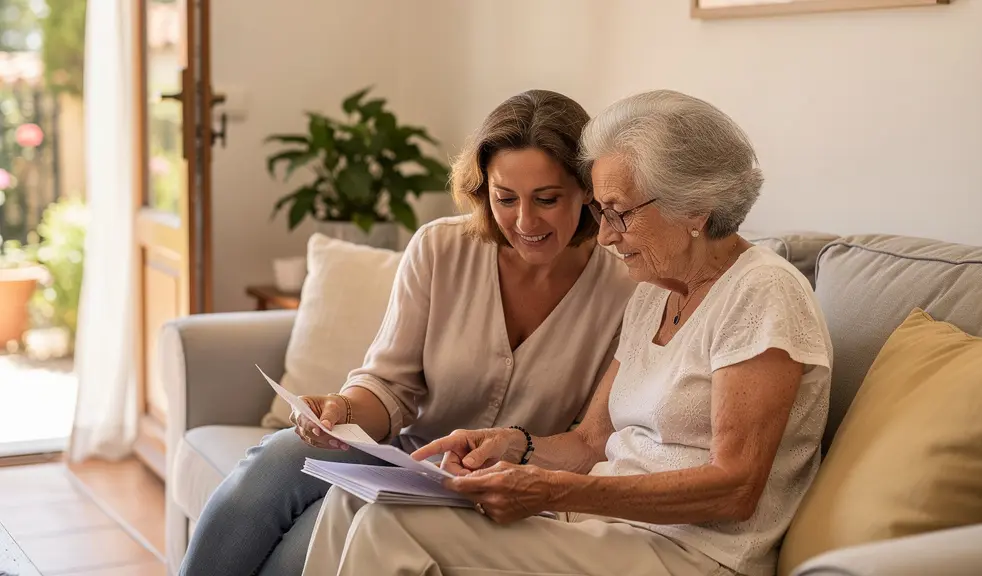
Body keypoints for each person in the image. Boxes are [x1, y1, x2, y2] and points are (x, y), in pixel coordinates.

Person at [301, 89, 834, 576]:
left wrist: (552, 490)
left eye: (619, 214)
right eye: (601, 212)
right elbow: (589, 442)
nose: (603, 235)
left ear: (694, 207)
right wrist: (512, 445)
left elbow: (736, 488)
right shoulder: (654, 290)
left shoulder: (762, 293)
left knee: (391, 522)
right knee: (355, 498)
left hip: (690, 552)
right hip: (604, 526)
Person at [177, 89, 637, 576]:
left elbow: (590, 441)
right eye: (505, 198)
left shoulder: (625, 288)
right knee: (279, 457)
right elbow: (390, 386)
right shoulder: (441, 248)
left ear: (587, 190)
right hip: (405, 461)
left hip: (501, 489)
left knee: (309, 546)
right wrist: (344, 409)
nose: (524, 222)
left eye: (547, 199)